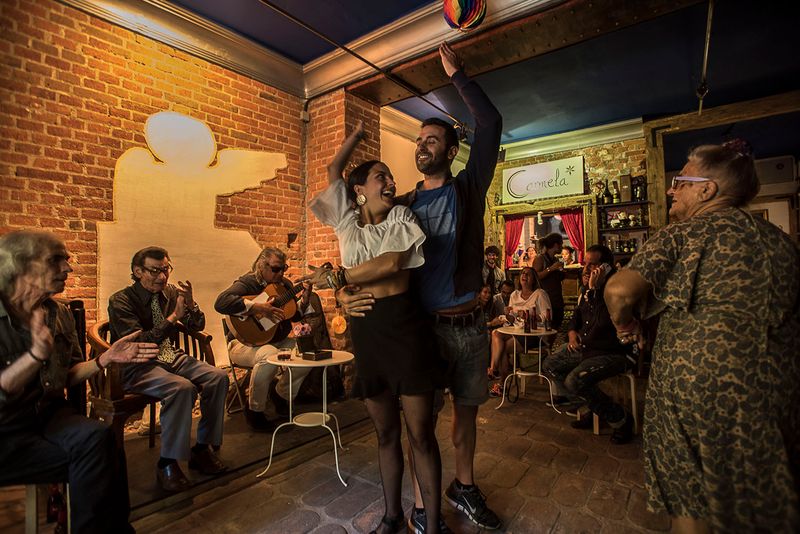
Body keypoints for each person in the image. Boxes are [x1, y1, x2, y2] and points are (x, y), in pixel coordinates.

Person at [338, 42, 503, 532]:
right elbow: (361, 254)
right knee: (420, 431)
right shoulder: (401, 207)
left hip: (468, 325)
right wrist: (342, 292)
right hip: (419, 330)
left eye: (433, 139)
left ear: (451, 151)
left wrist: (459, 77)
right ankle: (420, 505)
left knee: (465, 420)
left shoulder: (468, 188)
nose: (423, 144)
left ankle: (465, 488)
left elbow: (491, 126)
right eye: (420, 139)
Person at [604, 141, 800, 533]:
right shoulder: (782, 244)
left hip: (693, 392)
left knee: (691, 502)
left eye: (680, 181)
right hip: (776, 392)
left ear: (707, 190)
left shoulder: (686, 233)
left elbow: (619, 291)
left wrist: (625, 324)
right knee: (759, 503)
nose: (672, 190)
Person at [308, 119, 446, 534]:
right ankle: (391, 517)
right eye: (380, 176)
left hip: (406, 329)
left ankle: (434, 526)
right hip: (366, 334)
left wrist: (341, 280)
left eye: (389, 175)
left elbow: (393, 266)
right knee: (384, 434)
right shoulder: (347, 224)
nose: (390, 181)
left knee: (420, 434)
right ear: (360, 190)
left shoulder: (402, 215)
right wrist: (353, 138)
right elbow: (334, 172)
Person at [0, 230, 159, 533]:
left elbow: (70, 371)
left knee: (102, 439)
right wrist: (34, 356)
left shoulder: (57, 313)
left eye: (68, 260)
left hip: (47, 413)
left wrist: (105, 359)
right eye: (56, 260)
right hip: (6, 427)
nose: (68, 268)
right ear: (21, 266)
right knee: (97, 459)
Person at [108, 246, 229, 492]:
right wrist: (173, 317)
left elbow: (197, 325)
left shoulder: (171, 293)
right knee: (182, 388)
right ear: (137, 271)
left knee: (218, 377)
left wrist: (192, 305)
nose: (162, 277)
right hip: (138, 364)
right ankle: (168, 462)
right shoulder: (121, 300)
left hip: (170, 356)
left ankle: (201, 449)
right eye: (155, 270)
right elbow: (140, 343)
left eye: (166, 269)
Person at [541, 245, 634, 443]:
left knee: (574, 381)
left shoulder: (615, 288)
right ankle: (591, 408)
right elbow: (576, 317)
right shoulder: (586, 289)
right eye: (586, 263)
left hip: (613, 352)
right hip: (587, 348)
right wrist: (573, 333)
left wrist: (596, 289)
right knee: (550, 365)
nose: (586, 268)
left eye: (593, 264)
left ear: (606, 268)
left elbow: (605, 320)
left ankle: (621, 420)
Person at [214, 248, 312, 431]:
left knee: (306, 355)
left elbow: (295, 315)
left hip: (275, 341)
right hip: (242, 343)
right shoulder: (248, 282)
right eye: (276, 269)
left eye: (283, 268)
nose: (281, 273)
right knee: (269, 355)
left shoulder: (286, 286)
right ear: (261, 265)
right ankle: (255, 412)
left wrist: (305, 300)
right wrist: (257, 308)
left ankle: (281, 395)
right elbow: (221, 302)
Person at [487, 267, 551, 396]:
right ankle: (493, 369)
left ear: (534, 279)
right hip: (515, 330)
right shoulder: (514, 294)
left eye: (528, 274)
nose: (524, 275)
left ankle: (500, 383)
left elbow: (547, 316)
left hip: (532, 334)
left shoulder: (540, 294)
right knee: (495, 333)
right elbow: (512, 319)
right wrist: (508, 314)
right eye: (523, 273)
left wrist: (527, 315)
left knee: (503, 348)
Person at [533, 233, 565, 333]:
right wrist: (550, 269)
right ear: (556, 245)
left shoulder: (555, 259)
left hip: (557, 297)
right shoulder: (540, 258)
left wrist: (562, 272)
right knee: (547, 327)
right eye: (561, 244)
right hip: (546, 298)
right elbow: (535, 276)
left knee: (557, 325)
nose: (562, 247)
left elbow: (557, 278)